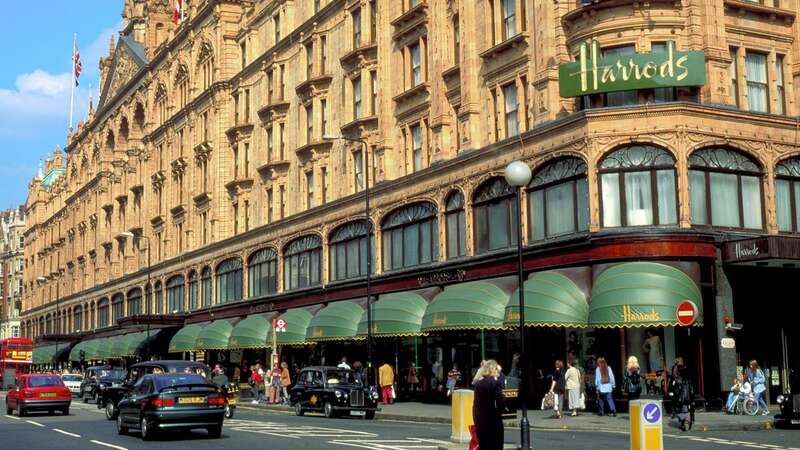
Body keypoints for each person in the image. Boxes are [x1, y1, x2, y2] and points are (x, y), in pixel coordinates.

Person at [472, 360, 504, 450]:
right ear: (493, 369)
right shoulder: (495, 383)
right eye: (496, 370)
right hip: (493, 421)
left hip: (480, 422)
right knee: (496, 446)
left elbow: (475, 404)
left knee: (483, 445)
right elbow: (501, 400)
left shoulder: (478, 384)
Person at [673, 365, 695, 431]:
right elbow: (692, 390)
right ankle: (688, 421)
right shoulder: (689, 380)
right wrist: (692, 399)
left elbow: (677, 391)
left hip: (681, 399)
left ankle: (684, 423)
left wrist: (675, 396)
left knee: (681, 411)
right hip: (688, 398)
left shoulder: (678, 380)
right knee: (685, 411)